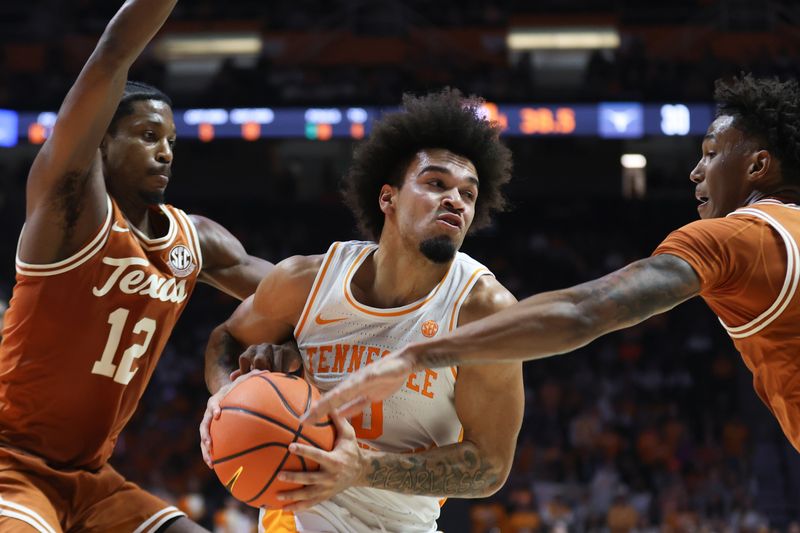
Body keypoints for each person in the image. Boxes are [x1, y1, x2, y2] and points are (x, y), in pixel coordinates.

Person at [306, 74, 800, 456]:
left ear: (758, 167)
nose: (696, 171)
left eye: (711, 154)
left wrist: (416, 355)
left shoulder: (740, 237)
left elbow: (584, 311)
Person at [0, 1, 279, 531]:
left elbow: (296, 289)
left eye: (172, 141)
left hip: (92, 478)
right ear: (101, 143)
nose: (167, 152)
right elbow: (111, 56)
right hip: (10, 463)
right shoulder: (70, 209)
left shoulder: (195, 238)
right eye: (149, 137)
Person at [199, 89, 524, 533]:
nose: (456, 201)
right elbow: (227, 338)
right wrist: (225, 396)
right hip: (295, 520)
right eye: (436, 184)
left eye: (468, 194)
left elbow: (490, 466)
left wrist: (363, 468)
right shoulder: (307, 282)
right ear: (387, 198)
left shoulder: (483, 311)